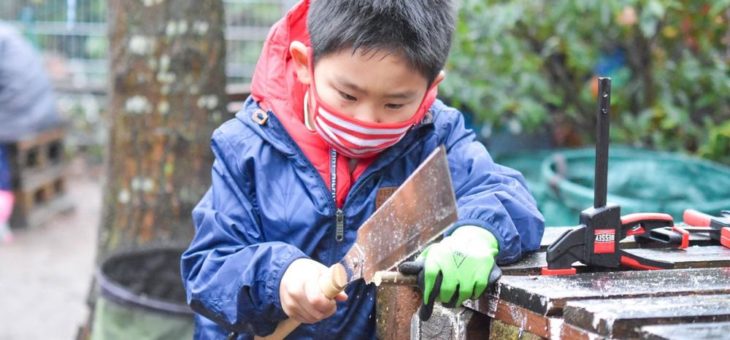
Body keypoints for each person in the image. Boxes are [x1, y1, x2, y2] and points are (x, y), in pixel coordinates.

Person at [180, 0, 545, 339]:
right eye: (348, 96)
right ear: (305, 65)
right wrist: (279, 276)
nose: (366, 119)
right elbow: (209, 267)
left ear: (430, 88)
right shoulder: (248, 148)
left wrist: (477, 233)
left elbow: (502, 193)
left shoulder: (434, 138)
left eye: (395, 103)